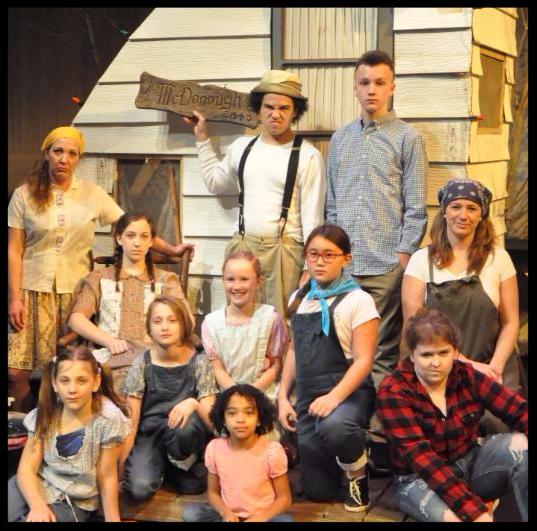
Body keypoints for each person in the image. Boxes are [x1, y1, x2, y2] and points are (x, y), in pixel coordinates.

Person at [8, 126, 194, 412]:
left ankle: (60, 422)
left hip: (73, 289)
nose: (64, 159)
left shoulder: (91, 194)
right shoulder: (24, 195)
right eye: (58, 152)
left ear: (78, 158)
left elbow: (130, 227)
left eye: (72, 154)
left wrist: (170, 249)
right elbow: (14, 249)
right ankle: (26, 425)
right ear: (46, 154)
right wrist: (14, 297)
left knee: (65, 368)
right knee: (16, 373)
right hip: (31, 289)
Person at [184, 70, 326, 317]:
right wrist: (202, 138)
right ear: (258, 109)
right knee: (240, 321)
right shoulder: (242, 148)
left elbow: (313, 220)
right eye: (269, 106)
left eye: (284, 108)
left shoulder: (308, 156)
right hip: (243, 246)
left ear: (295, 112)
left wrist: (309, 267)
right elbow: (215, 182)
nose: (275, 114)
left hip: (284, 252)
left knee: (281, 324)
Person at [326, 50, 427, 389]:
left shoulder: (407, 138)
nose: (371, 90)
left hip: (386, 264)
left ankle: (379, 418)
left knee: (381, 352)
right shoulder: (340, 139)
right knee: (342, 348)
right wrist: (333, 255)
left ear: (392, 87)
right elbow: (332, 204)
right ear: (355, 87)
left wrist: (403, 254)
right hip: (345, 265)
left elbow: (416, 205)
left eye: (380, 83)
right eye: (364, 82)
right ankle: (347, 414)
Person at [377, 307, 528, 522]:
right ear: (412, 355)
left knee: (523, 446)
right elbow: (423, 459)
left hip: (470, 461)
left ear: (455, 352)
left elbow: (519, 410)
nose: (436, 363)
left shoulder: (466, 375)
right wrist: (474, 513)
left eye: (443, 353)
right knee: (455, 520)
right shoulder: (394, 392)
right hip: (419, 479)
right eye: (426, 354)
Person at [402, 178, 519, 433]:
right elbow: (413, 329)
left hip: (490, 363)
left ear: (482, 215)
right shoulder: (421, 261)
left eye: (471, 208)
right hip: (435, 369)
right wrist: (467, 365)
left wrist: (495, 367)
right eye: (456, 207)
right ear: (444, 212)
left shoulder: (499, 259)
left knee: (497, 424)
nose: (463, 215)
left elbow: (511, 322)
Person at [278, 223, 378, 512]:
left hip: (348, 393)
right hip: (309, 396)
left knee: (336, 426)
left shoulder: (359, 300)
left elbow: (364, 360)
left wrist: (334, 398)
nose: (319, 261)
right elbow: (293, 350)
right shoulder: (299, 299)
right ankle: (339, 460)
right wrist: (283, 396)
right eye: (313, 254)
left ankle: (358, 473)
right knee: (318, 492)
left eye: (329, 255)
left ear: (346, 259)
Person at [68, 212, 191, 392]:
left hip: (152, 356)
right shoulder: (101, 278)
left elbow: (186, 319)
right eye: (130, 235)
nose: (137, 243)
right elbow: (76, 319)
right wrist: (109, 341)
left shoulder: (165, 281)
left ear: (151, 241)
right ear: (119, 238)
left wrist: (163, 339)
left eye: (144, 236)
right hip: (111, 355)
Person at [7, 346, 130, 522]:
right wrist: (38, 505)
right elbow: (27, 468)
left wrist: (113, 518)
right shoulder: (47, 411)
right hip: (35, 483)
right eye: (64, 381)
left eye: (81, 381)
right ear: (55, 384)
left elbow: (106, 474)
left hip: (72, 498)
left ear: (96, 382)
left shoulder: (107, 419)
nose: (72, 389)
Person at [120, 295, 217, 502]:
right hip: (150, 434)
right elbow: (132, 422)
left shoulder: (199, 362)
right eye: (158, 321)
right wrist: (120, 467)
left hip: (183, 434)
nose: (165, 327)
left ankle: (178, 465)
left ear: (183, 325)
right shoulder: (142, 364)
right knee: (138, 490)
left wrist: (193, 403)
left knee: (186, 433)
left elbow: (212, 422)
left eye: (172, 320)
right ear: (149, 327)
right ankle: (162, 467)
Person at [182, 384, 293, 523]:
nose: (240, 419)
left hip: (262, 517)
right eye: (232, 413)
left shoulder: (272, 451)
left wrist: (261, 518)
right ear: (223, 419)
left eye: (249, 413)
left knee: (284, 520)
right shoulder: (214, 448)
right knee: (190, 514)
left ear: (259, 419)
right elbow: (213, 493)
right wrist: (225, 512)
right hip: (229, 516)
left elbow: (284, 499)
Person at [201, 250, 288, 404]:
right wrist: (237, 396)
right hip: (228, 398)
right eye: (230, 279)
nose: (237, 286)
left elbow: (276, 366)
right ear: (223, 281)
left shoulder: (270, 318)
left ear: (258, 282)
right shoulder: (211, 323)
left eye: (244, 279)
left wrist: (250, 394)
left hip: (261, 396)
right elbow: (217, 368)